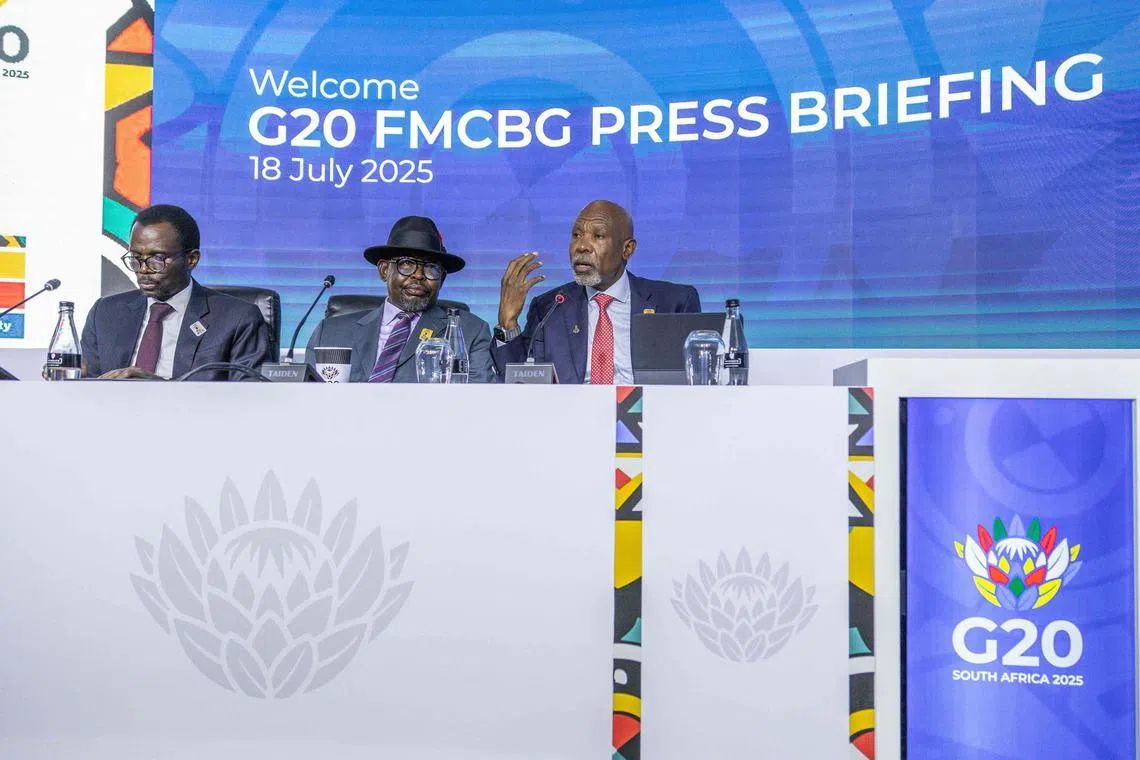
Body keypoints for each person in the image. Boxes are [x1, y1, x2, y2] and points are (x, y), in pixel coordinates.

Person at [493, 200, 701, 384]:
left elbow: (698, 379)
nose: (582, 246)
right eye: (576, 235)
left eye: (598, 236)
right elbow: (521, 386)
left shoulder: (673, 303)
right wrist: (508, 325)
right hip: (570, 413)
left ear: (627, 249)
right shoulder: (550, 308)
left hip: (648, 412)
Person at [80, 204, 270, 380]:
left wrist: (162, 388)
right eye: (135, 258)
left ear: (191, 259)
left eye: (157, 259)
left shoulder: (237, 319)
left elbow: (249, 396)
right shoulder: (105, 314)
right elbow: (86, 386)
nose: (143, 269)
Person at [306, 215, 495, 383]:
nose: (418, 275)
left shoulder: (470, 332)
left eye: (431, 268)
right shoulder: (330, 333)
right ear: (384, 271)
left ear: (442, 279)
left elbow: (478, 401)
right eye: (407, 264)